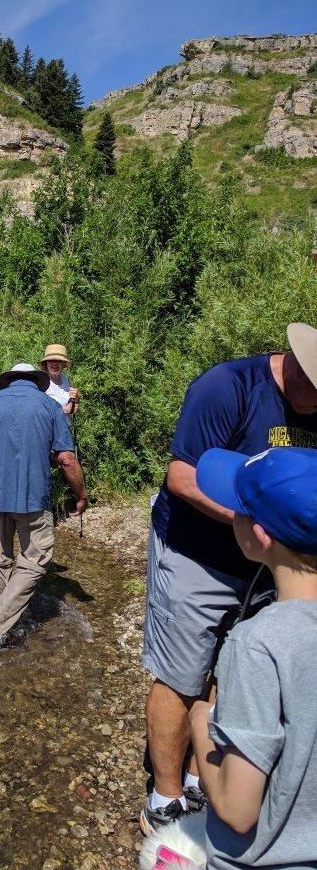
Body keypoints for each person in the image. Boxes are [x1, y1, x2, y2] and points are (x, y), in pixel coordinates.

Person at [140, 322, 317, 835]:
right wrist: (256, 519)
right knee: (180, 674)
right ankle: (166, 796)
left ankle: (203, 778)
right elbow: (180, 476)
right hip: (198, 553)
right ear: (294, 363)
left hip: (268, 562)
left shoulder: (312, 400)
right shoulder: (226, 388)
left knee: (233, 666)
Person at [189, 445, 317, 870]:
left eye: (238, 509)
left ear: (259, 536)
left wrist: (200, 724)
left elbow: (237, 810)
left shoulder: (257, 644)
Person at [0, 363, 87, 648]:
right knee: (35, 562)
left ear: (10, 380)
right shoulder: (50, 406)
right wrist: (81, 495)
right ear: (35, 380)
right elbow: (66, 458)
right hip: (34, 500)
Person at [40, 343, 80, 420]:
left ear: (63, 364)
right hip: (49, 430)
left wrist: (75, 398)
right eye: (51, 360)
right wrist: (63, 410)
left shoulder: (64, 378)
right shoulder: (41, 381)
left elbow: (67, 401)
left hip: (64, 428)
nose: (55, 363)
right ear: (46, 363)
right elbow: (37, 411)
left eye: (59, 361)